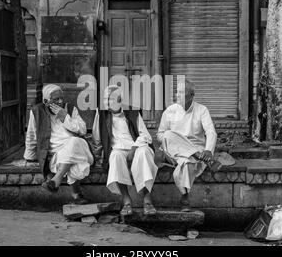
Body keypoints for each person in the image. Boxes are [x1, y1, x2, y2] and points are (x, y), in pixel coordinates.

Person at [92, 85, 158, 216]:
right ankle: (126, 199)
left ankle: (147, 199)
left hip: (137, 147)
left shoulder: (132, 112)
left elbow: (146, 136)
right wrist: (97, 155)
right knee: (115, 156)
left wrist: (134, 148)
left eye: (109, 99)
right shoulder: (101, 114)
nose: (106, 102)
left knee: (144, 153)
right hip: (118, 150)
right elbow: (97, 138)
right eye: (105, 99)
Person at [23, 84, 94, 204]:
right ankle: (77, 195)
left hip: (80, 148)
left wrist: (65, 117)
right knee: (73, 162)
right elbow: (31, 134)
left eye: (61, 98)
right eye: (56, 99)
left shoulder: (70, 108)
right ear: (46, 101)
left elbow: (82, 130)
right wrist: (30, 156)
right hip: (57, 156)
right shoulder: (37, 112)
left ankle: (57, 179)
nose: (60, 101)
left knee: (74, 141)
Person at [157, 80, 219, 212]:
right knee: (168, 134)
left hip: (196, 150)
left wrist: (208, 150)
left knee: (187, 162)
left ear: (191, 95)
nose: (177, 95)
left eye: (181, 92)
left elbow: (211, 132)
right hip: (174, 151)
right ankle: (197, 156)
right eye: (176, 92)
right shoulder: (170, 111)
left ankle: (185, 196)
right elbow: (160, 135)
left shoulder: (202, 110)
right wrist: (177, 141)